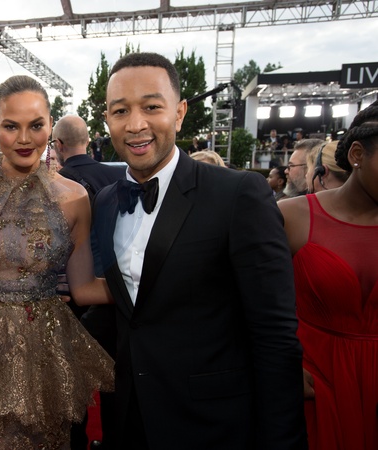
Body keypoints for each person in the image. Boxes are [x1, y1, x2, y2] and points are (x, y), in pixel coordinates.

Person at [91, 52, 306, 449]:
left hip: (213, 426)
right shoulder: (105, 202)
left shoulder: (237, 194)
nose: (135, 124)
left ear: (179, 112)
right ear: (107, 120)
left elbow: (275, 336)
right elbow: (124, 314)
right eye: (120, 111)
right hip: (128, 422)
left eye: (151, 107)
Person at [0, 75, 114, 449]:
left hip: (46, 346)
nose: (24, 138)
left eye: (36, 125)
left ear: (51, 125)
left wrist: (154, 285)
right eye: (11, 126)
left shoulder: (75, 197)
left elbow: (83, 288)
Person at [278, 102, 378, 450]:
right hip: (314, 383)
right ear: (357, 154)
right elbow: (240, 302)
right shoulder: (290, 217)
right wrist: (279, 366)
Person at [52, 114, 124, 450]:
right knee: (114, 379)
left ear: (58, 145)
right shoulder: (118, 174)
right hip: (112, 293)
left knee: (72, 380)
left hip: (70, 297)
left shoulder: (59, 184)